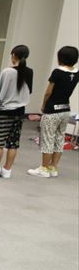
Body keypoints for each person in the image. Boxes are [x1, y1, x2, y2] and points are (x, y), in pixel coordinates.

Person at [28, 45, 79, 178]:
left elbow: (48, 92)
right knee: (59, 138)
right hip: (66, 109)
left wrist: (43, 104)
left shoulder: (57, 72)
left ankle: (44, 169)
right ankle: (53, 167)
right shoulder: (76, 73)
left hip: (52, 109)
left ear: (61, 58)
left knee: (47, 138)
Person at [0, 45, 32, 179]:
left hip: (4, 111)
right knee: (13, 143)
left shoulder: (7, 71)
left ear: (13, 55)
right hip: (20, 111)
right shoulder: (30, 72)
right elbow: (29, 91)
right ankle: (7, 171)